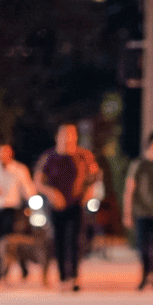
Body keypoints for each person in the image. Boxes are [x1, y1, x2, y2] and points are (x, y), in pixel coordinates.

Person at [35, 123, 100, 292]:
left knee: (76, 241)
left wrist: (88, 194)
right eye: (64, 134)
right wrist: (52, 193)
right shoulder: (49, 157)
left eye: (72, 134)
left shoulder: (84, 155)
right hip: (56, 206)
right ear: (58, 136)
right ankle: (63, 277)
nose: (68, 137)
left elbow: (95, 176)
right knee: (59, 241)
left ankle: (75, 276)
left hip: (77, 204)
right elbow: (38, 181)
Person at [0, 143, 36, 286]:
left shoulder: (19, 169)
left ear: (11, 154)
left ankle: (14, 272)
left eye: (5, 153)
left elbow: (29, 189)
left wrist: (30, 201)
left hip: (12, 209)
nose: (2, 156)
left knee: (12, 243)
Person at [124, 131, 153, 291]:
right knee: (143, 247)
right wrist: (127, 213)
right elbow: (129, 190)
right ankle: (144, 277)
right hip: (142, 212)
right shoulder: (139, 164)